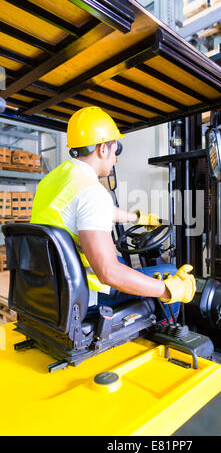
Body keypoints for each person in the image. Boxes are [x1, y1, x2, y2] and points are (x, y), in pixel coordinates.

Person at [30, 106, 195, 320]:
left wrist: (139, 218)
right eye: (115, 150)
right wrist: (168, 289)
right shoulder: (92, 192)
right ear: (102, 149)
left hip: (48, 287)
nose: (116, 158)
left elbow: (92, 211)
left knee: (123, 262)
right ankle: (166, 332)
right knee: (170, 273)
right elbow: (109, 273)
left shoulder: (54, 180)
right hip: (82, 295)